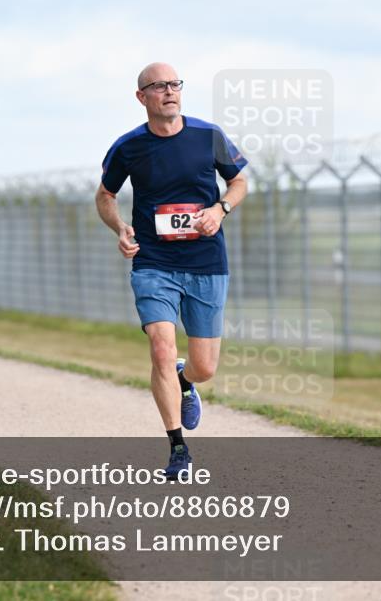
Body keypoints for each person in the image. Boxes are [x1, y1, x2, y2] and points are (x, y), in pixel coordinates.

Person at [95, 63, 248, 478]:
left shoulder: (208, 136)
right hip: (153, 263)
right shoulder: (129, 147)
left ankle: (186, 380)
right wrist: (120, 227)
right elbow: (106, 195)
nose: (169, 91)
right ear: (141, 96)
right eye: (159, 86)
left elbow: (239, 182)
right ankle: (178, 448)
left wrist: (220, 209)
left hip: (206, 262)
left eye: (175, 84)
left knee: (206, 367)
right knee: (161, 348)